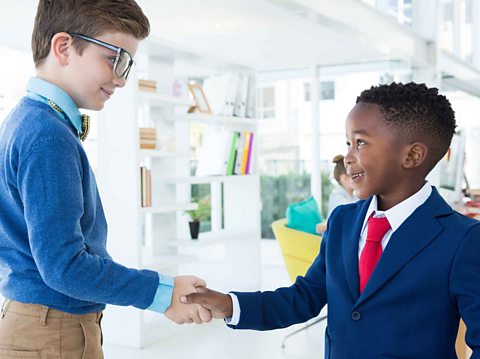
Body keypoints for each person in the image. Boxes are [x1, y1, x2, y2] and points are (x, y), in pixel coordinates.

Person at [182, 82, 480, 358]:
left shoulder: (463, 240)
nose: (347, 156)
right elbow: (305, 297)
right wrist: (229, 304)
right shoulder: (343, 221)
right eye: (348, 142)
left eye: (360, 142)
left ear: (412, 155)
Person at [0, 1, 210, 357]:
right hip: (53, 330)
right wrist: (163, 292)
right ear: (63, 47)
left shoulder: (30, 121)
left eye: (127, 63)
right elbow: (65, 267)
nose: (121, 78)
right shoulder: (46, 134)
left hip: (44, 323)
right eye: (114, 58)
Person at [327, 154, 357, 219]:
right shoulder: (337, 198)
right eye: (354, 176)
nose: (358, 179)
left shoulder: (353, 197)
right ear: (344, 179)